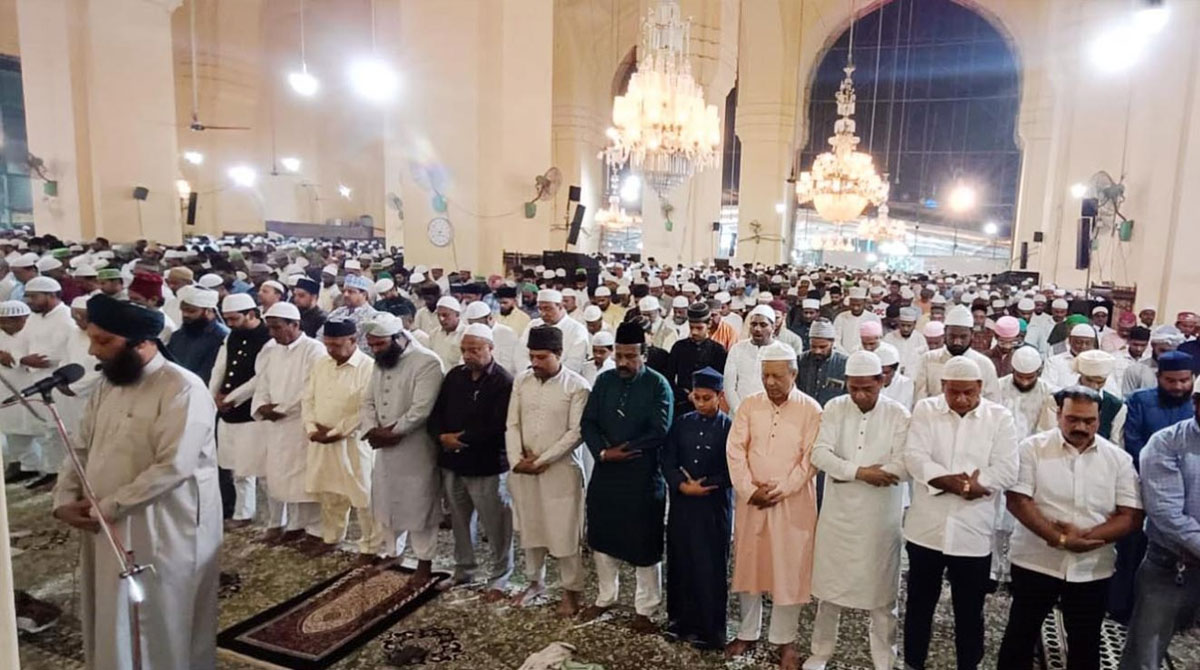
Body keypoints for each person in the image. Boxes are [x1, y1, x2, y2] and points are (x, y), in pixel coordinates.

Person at [51, 294, 221, 669]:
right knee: (111, 611)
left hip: (165, 527)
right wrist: (64, 497)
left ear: (141, 342)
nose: (93, 351)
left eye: (103, 341)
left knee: (166, 620)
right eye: (92, 339)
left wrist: (107, 507)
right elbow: (80, 445)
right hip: (103, 520)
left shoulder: (183, 388)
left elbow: (174, 466)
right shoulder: (108, 384)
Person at [999, 386, 1143, 670]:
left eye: (1089, 421)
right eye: (1073, 419)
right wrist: (1059, 538)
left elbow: (1132, 515)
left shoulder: (1118, 460)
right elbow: (1017, 501)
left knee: (1085, 642)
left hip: (1092, 566)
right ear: (1058, 415)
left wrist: (1084, 539)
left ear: (1099, 419)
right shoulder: (1032, 449)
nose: (1081, 427)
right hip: (1036, 560)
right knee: (1020, 636)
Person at [902, 356, 1018, 670]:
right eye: (954, 392)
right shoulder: (926, 410)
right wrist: (960, 485)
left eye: (969, 392)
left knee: (969, 609)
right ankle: (913, 662)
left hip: (973, 530)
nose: (962, 399)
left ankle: (969, 664)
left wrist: (976, 484)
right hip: (926, 528)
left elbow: (1007, 469)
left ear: (980, 387)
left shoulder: (999, 417)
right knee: (919, 604)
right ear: (943, 387)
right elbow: (915, 458)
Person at [806, 351, 910, 670]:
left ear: (882, 380)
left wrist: (846, 471)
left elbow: (905, 464)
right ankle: (820, 652)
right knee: (829, 592)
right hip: (839, 516)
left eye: (867, 388)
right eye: (854, 388)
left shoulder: (898, 414)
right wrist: (862, 473)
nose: (860, 395)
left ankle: (884, 659)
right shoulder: (835, 408)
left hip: (880, 519)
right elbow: (819, 454)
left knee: (882, 595)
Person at [725, 340, 822, 670]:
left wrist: (780, 490)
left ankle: (785, 640)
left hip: (792, 503)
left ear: (794, 374)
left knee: (788, 569)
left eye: (777, 376)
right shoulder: (749, 405)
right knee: (750, 564)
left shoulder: (811, 410)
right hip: (752, 500)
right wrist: (749, 489)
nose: (770, 382)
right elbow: (735, 450)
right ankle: (747, 632)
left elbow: (810, 459)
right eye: (765, 375)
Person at [579, 321, 674, 633]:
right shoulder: (605, 380)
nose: (622, 362)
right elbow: (588, 422)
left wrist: (627, 450)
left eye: (630, 356)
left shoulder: (658, 385)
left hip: (642, 475)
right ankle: (606, 597)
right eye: (619, 355)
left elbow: (660, 430)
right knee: (602, 537)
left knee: (644, 543)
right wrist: (604, 452)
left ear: (643, 355)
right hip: (607, 471)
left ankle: (645, 609)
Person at [505, 325, 591, 615]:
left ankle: (571, 591)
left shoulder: (577, 386)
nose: (535, 363)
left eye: (542, 357)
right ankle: (534, 582)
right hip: (523, 468)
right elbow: (512, 423)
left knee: (564, 531)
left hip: (560, 471)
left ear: (559, 353)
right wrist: (516, 459)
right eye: (532, 356)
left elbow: (576, 433)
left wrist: (541, 461)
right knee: (531, 527)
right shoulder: (522, 381)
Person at [1119, 376, 1200, 670]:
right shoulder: (1167, 442)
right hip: (1171, 565)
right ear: (1196, 403)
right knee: (1145, 656)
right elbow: (1166, 513)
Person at [427, 323, 514, 596]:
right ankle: (464, 570)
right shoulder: (455, 376)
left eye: (475, 350)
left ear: (490, 348)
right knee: (460, 522)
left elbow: (499, 425)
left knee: (496, 525)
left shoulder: (503, 381)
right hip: (453, 463)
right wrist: (441, 436)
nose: (468, 355)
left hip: (486, 465)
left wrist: (462, 438)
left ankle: (500, 576)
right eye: (464, 350)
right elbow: (437, 412)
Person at [1110, 349, 1196, 622]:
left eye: (1184, 380)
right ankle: (1122, 605)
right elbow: (1132, 441)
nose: (1178, 386)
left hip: (1185, 494)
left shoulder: (1193, 406)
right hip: (1140, 485)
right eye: (1171, 380)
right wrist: (1154, 473)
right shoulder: (1140, 400)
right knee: (1132, 550)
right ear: (1159, 378)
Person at [360, 314, 446, 580]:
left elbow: (421, 409)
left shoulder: (427, 362)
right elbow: (367, 400)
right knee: (387, 500)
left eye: (380, 344)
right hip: (384, 446)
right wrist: (371, 429)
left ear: (398, 338)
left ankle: (424, 561)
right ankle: (393, 552)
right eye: (372, 345)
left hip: (416, 446)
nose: (375, 350)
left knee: (419, 503)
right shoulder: (382, 361)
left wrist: (393, 432)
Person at [660, 367, 733, 651]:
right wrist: (681, 484)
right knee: (681, 560)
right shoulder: (681, 423)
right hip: (683, 505)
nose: (700, 403)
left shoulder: (730, 428)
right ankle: (679, 622)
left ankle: (711, 630)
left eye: (707, 398)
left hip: (713, 508)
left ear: (720, 396)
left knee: (709, 566)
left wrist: (708, 484)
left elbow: (734, 468)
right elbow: (667, 459)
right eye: (696, 398)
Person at [250, 302, 326, 547]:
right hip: (276, 425)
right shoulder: (271, 349)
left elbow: (310, 387)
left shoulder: (314, 349)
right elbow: (262, 381)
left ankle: (315, 529)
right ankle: (294, 525)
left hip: (301, 422)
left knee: (306, 478)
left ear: (295, 325)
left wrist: (281, 409)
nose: (272, 333)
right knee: (284, 477)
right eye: (270, 328)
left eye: (277, 327)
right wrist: (262, 405)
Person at [301, 318, 379, 556]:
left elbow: (365, 408)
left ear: (353, 340)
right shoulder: (321, 364)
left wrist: (336, 432)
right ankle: (332, 537)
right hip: (320, 440)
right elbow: (308, 398)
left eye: (336, 345)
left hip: (352, 442)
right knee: (330, 493)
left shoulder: (368, 367)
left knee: (363, 496)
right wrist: (311, 428)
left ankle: (370, 547)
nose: (330, 350)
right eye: (327, 344)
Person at [210, 293, 272, 527]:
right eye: (227, 319)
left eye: (234, 319)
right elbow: (220, 367)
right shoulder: (232, 336)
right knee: (235, 466)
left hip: (250, 410)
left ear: (251, 314)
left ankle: (275, 520)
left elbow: (260, 377)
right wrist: (213, 397)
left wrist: (233, 398)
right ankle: (242, 513)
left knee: (256, 466)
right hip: (227, 411)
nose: (230, 324)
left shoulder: (267, 338)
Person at [913, 305, 1000, 402]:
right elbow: (920, 398)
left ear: (972, 335)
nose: (957, 342)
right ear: (945, 333)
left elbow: (992, 402)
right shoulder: (929, 359)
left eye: (963, 337)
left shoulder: (984, 364)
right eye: (952, 336)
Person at [665, 301, 728, 415]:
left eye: (699, 328)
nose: (694, 332)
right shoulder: (679, 347)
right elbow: (668, 379)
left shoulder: (718, 350)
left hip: (710, 409)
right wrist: (686, 395)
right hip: (682, 407)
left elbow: (722, 383)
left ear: (709, 324)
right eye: (691, 327)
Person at [512, 289, 591, 375]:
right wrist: (532, 372)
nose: (543, 313)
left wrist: (550, 374)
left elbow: (574, 363)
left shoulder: (577, 329)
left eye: (547, 308)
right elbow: (521, 353)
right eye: (540, 309)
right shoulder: (533, 325)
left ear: (560, 306)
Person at [165, 286, 227, 384]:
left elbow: (209, 374)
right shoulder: (177, 336)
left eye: (191, 311)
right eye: (183, 310)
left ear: (208, 311)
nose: (185, 315)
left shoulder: (221, 337)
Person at [724, 305, 778, 412]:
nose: (757, 329)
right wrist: (739, 410)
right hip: (739, 412)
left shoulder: (783, 351)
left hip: (770, 413)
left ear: (773, 327)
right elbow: (729, 386)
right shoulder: (737, 349)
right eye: (753, 324)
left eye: (763, 325)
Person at [1074, 349, 1127, 445]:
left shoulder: (1116, 407)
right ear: (1081, 375)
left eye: (1099, 382)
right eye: (1089, 380)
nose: (1094, 386)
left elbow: (1115, 443)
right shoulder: (1059, 399)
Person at [796, 320, 847, 407]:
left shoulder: (844, 363)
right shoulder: (800, 361)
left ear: (832, 343)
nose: (817, 351)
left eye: (822, 347)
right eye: (813, 347)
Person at [1123, 325, 1184, 395]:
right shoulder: (1136, 370)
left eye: (1170, 352)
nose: (1166, 356)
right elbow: (1127, 398)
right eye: (1162, 351)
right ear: (1153, 345)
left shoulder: (1183, 373)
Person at [464, 299, 518, 375]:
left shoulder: (507, 333)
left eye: (479, 323)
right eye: (472, 324)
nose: (476, 328)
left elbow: (508, 365)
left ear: (489, 318)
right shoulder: (469, 334)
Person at [325, 274, 378, 351]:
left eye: (351, 292)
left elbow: (366, 347)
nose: (345, 295)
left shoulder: (372, 316)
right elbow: (321, 336)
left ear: (364, 294)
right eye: (344, 291)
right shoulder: (336, 313)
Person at [1043, 323, 1099, 388]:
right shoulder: (1054, 362)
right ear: (1069, 340)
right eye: (1079, 342)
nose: (1083, 346)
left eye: (1087, 343)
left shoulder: (1099, 362)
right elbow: (1047, 387)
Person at [832, 287, 881, 353]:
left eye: (858, 305)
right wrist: (844, 355)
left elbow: (877, 340)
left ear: (864, 303)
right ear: (849, 303)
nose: (855, 308)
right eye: (853, 305)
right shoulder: (841, 317)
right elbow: (836, 339)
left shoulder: (873, 318)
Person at [882, 306, 927, 377]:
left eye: (909, 326)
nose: (906, 329)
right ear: (899, 323)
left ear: (914, 324)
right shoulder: (889, 338)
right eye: (903, 325)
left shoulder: (920, 339)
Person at [428, 295, 466, 367]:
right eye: (438, 315)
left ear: (457, 314)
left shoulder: (466, 334)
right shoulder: (434, 334)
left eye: (445, 315)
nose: (441, 319)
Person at [877, 343, 914, 410]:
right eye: (879, 373)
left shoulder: (906, 384)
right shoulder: (869, 382)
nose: (882, 376)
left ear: (895, 369)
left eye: (886, 373)